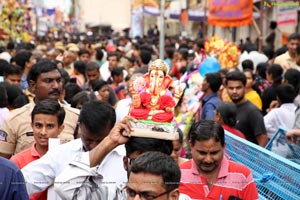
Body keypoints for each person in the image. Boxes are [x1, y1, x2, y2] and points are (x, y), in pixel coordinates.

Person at [22, 100, 127, 200]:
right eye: (88, 140)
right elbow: (23, 182)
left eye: (100, 141)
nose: (93, 146)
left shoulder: (125, 157)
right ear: (79, 126)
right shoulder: (61, 154)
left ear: (112, 130)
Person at [0, 60, 79, 158]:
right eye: (48, 81)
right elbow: (3, 163)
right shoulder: (14, 120)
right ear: (33, 86)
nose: (56, 86)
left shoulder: (77, 117)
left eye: (58, 81)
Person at [180, 120, 258, 199]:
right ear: (191, 146)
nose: (208, 160)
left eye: (214, 153)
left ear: (223, 146)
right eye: (202, 153)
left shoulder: (242, 176)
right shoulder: (179, 175)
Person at [10, 99, 65, 200]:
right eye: (38, 126)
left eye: (50, 126)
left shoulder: (69, 158)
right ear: (32, 126)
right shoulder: (17, 161)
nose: (43, 132)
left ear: (61, 128)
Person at [226, 71, 268, 147]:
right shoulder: (229, 107)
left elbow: (263, 141)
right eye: (231, 88)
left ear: (245, 87)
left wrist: (255, 159)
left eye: (238, 88)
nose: (234, 91)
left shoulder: (253, 112)